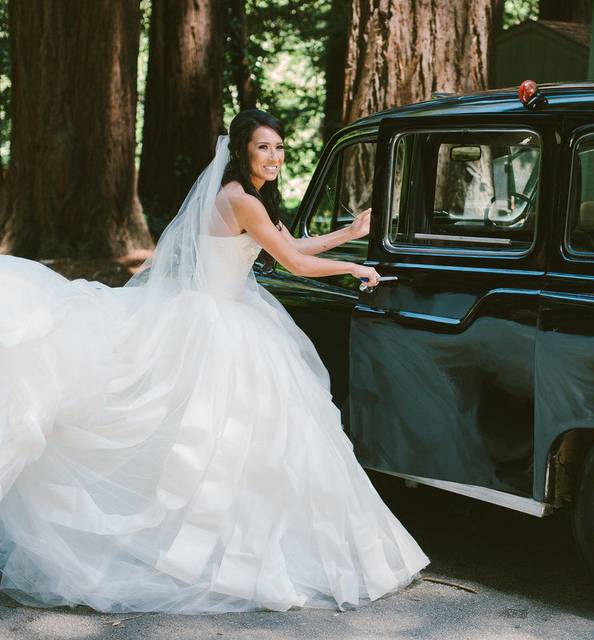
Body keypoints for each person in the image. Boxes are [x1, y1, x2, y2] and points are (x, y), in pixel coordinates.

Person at [0, 109, 429, 614]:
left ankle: (219, 548)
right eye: (264, 147)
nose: (274, 157)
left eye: (280, 147)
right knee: (234, 439)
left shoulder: (242, 201)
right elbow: (293, 263)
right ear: (243, 150)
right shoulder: (240, 201)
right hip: (224, 326)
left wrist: (345, 234)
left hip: (223, 316)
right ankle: (222, 553)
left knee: (239, 441)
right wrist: (354, 265)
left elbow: (286, 245)